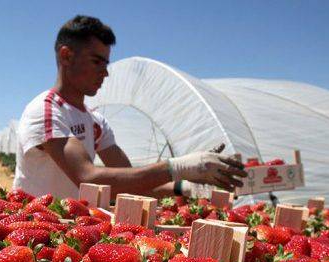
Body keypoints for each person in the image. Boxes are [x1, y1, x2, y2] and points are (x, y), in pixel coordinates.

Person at [13, 15, 246, 199]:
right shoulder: (47, 112)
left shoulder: (95, 122)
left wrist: (185, 187)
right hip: (35, 228)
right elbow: (87, 177)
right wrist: (180, 167)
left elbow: (130, 180)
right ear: (66, 56)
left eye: (106, 63)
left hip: (70, 228)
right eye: (96, 61)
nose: (105, 73)